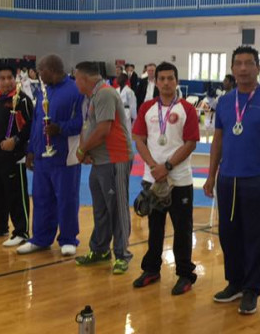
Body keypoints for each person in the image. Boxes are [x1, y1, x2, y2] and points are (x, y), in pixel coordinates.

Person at [203, 45, 260, 315]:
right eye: (238, 63)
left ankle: (251, 289)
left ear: (258, 68)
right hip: (228, 178)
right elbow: (218, 140)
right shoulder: (225, 102)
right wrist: (211, 175)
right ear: (232, 68)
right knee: (228, 234)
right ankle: (235, 283)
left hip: (257, 179)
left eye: (248, 63)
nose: (243, 68)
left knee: (254, 235)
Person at [131, 62, 200, 294]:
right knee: (155, 227)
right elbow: (139, 139)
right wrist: (153, 166)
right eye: (162, 79)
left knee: (182, 229)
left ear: (177, 81)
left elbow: (190, 143)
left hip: (179, 179)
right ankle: (151, 269)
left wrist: (167, 166)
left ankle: (185, 274)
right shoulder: (147, 108)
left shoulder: (187, 109)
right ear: (156, 81)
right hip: (153, 178)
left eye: (170, 78)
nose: (166, 83)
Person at [17, 55, 84, 257]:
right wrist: (31, 150)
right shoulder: (43, 91)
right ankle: (40, 238)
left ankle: (68, 239)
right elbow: (37, 122)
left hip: (65, 157)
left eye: (41, 70)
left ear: (52, 69)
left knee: (66, 199)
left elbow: (83, 122)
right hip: (42, 156)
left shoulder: (76, 90)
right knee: (41, 198)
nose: (38, 74)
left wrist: (60, 128)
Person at [72, 62, 135, 274]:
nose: (75, 83)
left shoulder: (105, 94)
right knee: (100, 209)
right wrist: (84, 150)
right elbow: (88, 127)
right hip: (100, 160)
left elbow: (103, 129)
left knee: (117, 208)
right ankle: (100, 249)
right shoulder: (91, 97)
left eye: (76, 78)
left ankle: (122, 254)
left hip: (115, 159)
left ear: (85, 79)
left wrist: (82, 150)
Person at [0, 64, 34, 247]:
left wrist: (16, 140)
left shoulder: (22, 100)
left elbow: (31, 126)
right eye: (2, 78)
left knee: (16, 194)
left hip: (14, 156)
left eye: (10, 78)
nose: (6, 82)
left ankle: (21, 231)